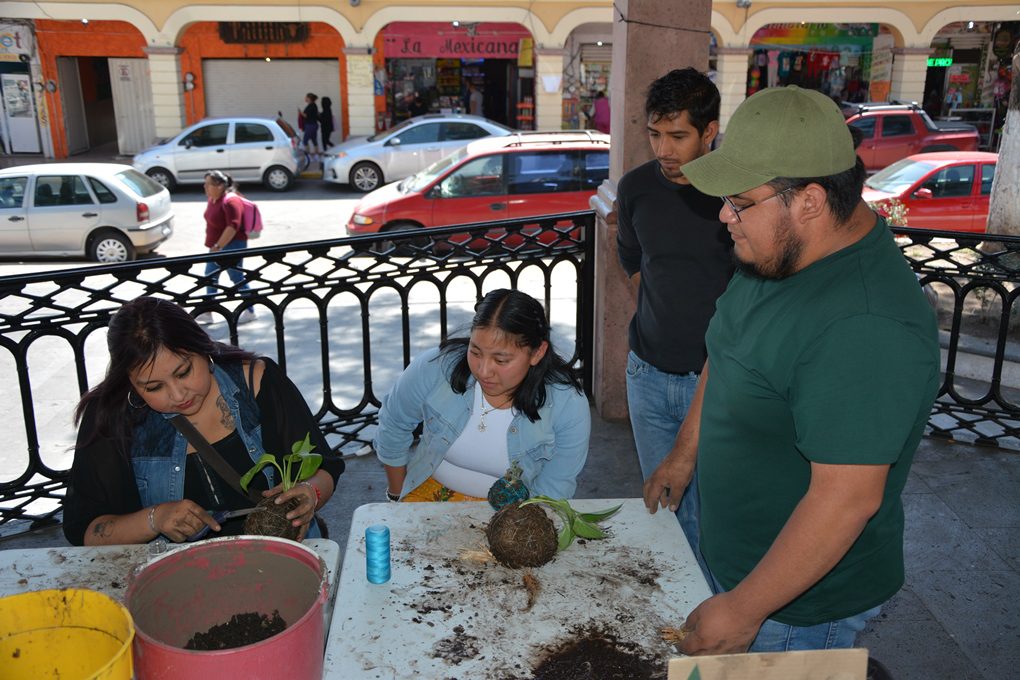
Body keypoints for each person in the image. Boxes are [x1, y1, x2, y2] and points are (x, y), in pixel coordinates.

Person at [645, 86, 940, 655]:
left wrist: (744, 608)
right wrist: (685, 452)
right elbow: (728, 351)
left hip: (795, 607)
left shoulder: (865, 325)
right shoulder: (778, 253)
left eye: (739, 200)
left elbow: (846, 499)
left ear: (807, 200)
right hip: (740, 561)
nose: (723, 215)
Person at [63, 297, 344, 546]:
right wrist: (154, 520)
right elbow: (84, 530)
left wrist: (310, 492)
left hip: (280, 558)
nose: (177, 394)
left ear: (203, 348)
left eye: (184, 372)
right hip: (178, 578)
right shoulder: (113, 417)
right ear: (130, 383)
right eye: (153, 388)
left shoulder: (255, 381)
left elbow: (325, 466)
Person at [616, 68, 733, 577]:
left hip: (721, 388)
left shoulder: (739, 194)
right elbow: (635, 266)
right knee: (662, 512)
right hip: (647, 376)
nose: (664, 149)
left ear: (709, 132)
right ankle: (675, 626)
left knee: (716, 522)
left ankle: (714, 629)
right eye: (655, 134)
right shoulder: (636, 188)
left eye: (678, 136)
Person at [375, 289, 590, 503]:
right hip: (428, 492)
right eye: (475, 352)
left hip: (516, 512)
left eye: (501, 360)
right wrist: (396, 496)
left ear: (537, 353)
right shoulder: (436, 367)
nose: (484, 371)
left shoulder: (567, 404)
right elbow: (393, 423)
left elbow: (554, 488)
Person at [200, 170, 254, 324]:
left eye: (208, 184)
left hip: (231, 245)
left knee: (236, 276)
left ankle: (250, 310)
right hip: (216, 247)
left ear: (219, 185)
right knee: (210, 277)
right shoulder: (213, 199)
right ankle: (208, 311)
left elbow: (233, 227)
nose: (205, 187)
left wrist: (218, 246)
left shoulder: (231, 201)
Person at [299, 92, 320, 162]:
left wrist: (300, 112)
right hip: (313, 125)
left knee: (305, 140)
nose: (305, 98)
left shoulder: (311, 106)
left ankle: (308, 157)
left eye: (306, 97)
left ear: (309, 98)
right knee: (314, 140)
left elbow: (306, 116)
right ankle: (316, 156)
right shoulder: (314, 105)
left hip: (310, 125)